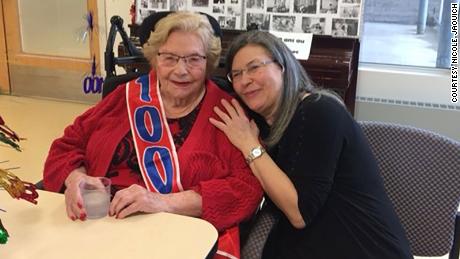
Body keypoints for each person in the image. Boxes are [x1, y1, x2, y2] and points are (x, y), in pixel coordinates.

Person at [43, 12, 263, 259]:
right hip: (95, 227)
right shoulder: (125, 96)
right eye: (170, 58)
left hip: (172, 238)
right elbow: (66, 145)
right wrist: (75, 179)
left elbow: (247, 188)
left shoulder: (226, 112)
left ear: (208, 63)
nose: (181, 70)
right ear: (155, 58)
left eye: (193, 59)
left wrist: (163, 202)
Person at [209, 30, 413, 258]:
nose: (245, 80)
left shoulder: (318, 110)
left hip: (363, 245)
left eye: (254, 67)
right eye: (236, 74)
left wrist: (248, 144)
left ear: (283, 66)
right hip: (321, 239)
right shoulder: (267, 119)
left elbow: (299, 213)